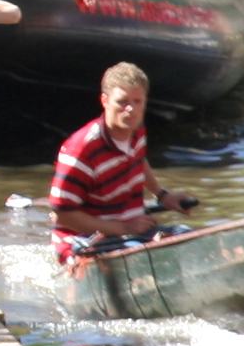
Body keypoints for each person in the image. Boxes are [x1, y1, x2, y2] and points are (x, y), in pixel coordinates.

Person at [49, 62, 194, 259]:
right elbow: (61, 213)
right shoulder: (82, 150)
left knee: (186, 235)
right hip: (86, 240)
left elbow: (138, 159)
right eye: (122, 102)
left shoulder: (136, 130)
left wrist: (162, 195)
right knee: (140, 253)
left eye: (137, 102)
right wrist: (121, 227)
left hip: (130, 231)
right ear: (105, 101)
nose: (131, 110)